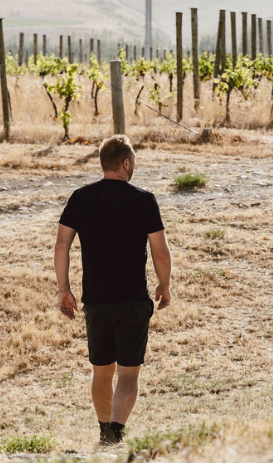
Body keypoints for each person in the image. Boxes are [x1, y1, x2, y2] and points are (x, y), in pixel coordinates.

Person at [54, 135, 171, 446]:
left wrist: (63, 289)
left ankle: (104, 428)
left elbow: (62, 244)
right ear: (126, 163)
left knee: (102, 371)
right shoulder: (144, 199)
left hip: (96, 301)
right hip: (133, 300)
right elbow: (160, 251)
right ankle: (116, 432)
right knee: (128, 374)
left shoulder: (80, 197)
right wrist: (165, 285)